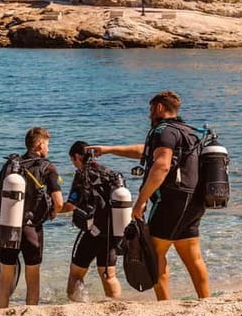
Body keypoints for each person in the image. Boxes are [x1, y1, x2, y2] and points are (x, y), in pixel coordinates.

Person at [88, 90, 210, 301]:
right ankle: (206, 301)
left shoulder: (162, 131)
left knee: (153, 254)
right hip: (193, 202)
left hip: (171, 202)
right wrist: (108, 149)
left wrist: (140, 202)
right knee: (193, 256)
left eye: (150, 109)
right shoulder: (187, 132)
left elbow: (161, 165)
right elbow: (144, 151)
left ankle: (164, 304)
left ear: (159, 108)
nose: (148, 115)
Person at [0, 127, 63, 308]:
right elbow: (59, 202)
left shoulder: (9, 165)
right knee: (32, 275)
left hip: (8, 227)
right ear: (39, 144)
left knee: (6, 276)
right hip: (32, 228)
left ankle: (0, 314)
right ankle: (30, 312)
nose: (48, 149)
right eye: (47, 145)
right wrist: (53, 212)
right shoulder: (48, 167)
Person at [58, 141, 122, 301]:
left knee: (76, 273)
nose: (74, 164)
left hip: (93, 232)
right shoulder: (110, 173)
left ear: (78, 156)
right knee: (108, 273)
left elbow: (70, 205)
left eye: (73, 160)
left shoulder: (82, 174)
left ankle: (74, 304)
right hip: (112, 232)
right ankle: (116, 304)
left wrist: (54, 211)